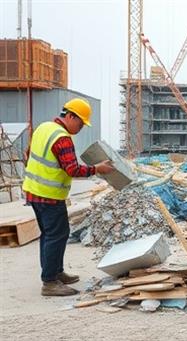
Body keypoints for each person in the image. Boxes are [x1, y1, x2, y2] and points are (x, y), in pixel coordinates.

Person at [22, 98, 114, 296]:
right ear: (70, 116)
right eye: (80, 123)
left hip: (34, 191)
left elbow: (27, 154)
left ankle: (55, 272)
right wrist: (97, 169)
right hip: (49, 196)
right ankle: (50, 282)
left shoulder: (44, 128)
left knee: (52, 234)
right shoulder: (62, 138)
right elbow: (72, 169)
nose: (80, 128)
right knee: (56, 235)